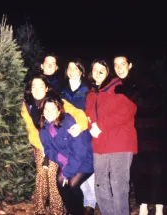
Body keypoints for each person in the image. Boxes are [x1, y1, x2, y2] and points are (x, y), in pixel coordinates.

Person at [21, 73, 88, 214]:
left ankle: (57, 210)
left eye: (41, 86)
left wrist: (81, 125)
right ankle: (39, 208)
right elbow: (31, 130)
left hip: (59, 145)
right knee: (41, 172)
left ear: (46, 88)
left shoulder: (56, 101)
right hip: (40, 144)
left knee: (53, 173)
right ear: (30, 89)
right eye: (34, 87)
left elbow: (77, 112)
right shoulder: (26, 105)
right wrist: (44, 147)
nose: (37, 89)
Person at [114, 55, 166, 215]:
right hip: (136, 135)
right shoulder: (118, 84)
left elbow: (153, 101)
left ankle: (159, 207)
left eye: (123, 64)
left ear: (130, 65)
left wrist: (128, 95)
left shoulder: (141, 79)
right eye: (116, 65)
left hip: (153, 133)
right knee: (139, 170)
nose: (119, 68)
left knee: (157, 170)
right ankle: (142, 205)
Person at [86, 59, 137, 215]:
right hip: (100, 144)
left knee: (119, 185)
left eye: (102, 69)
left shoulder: (118, 87)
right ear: (91, 73)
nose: (98, 72)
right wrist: (90, 127)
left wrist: (100, 125)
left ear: (108, 72)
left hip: (120, 142)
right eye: (95, 69)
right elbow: (88, 117)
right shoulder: (90, 94)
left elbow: (127, 111)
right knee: (100, 184)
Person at [39, 95, 93, 215]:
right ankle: (72, 211)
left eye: (53, 108)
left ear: (59, 110)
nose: (49, 112)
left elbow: (80, 151)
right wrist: (61, 158)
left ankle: (78, 212)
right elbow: (48, 149)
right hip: (67, 160)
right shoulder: (43, 129)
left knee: (72, 183)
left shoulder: (68, 121)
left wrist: (67, 171)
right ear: (42, 111)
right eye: (46, 109)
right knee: (60, 182)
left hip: (85, 159)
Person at [61, 58, 96, 214]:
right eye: (69, 68)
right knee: (76, 168)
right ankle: (78, 205)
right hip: (69, 136)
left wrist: (84, 126)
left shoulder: (88, 90)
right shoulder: (62, 91)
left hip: (86, 133)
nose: (72, 71)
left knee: (87, 169)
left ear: (82, 71)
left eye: (76, 68)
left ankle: (90, 204)